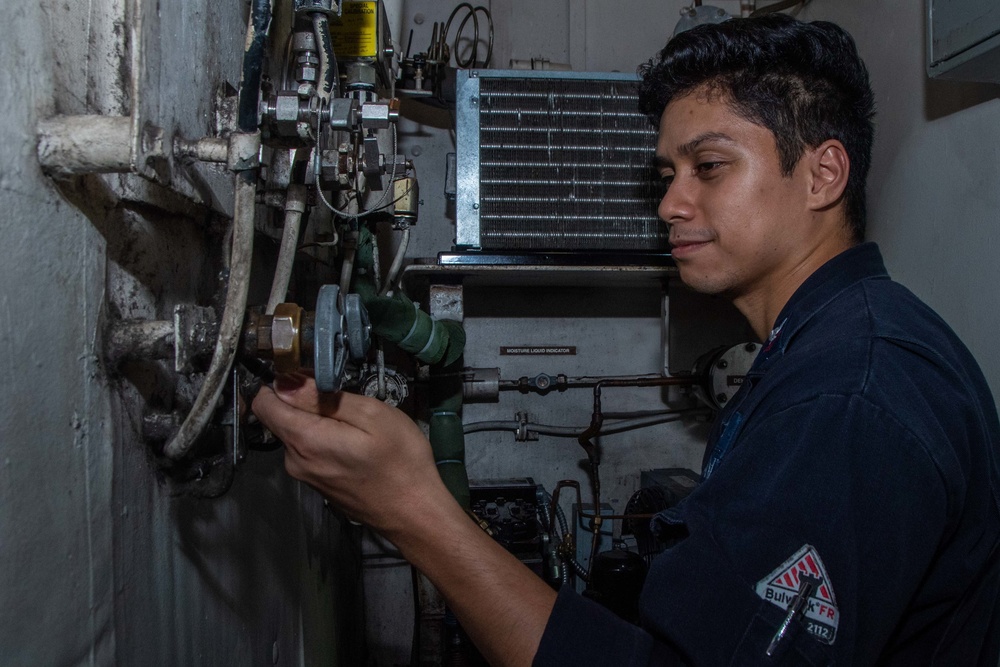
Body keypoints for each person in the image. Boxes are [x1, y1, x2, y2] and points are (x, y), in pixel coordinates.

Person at [253, 14, 1000, 666]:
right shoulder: (836, 346)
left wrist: (413, 507)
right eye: (667, 174)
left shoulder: (851, 400)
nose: (671, 203)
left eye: (708, 167)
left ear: (822, 174)